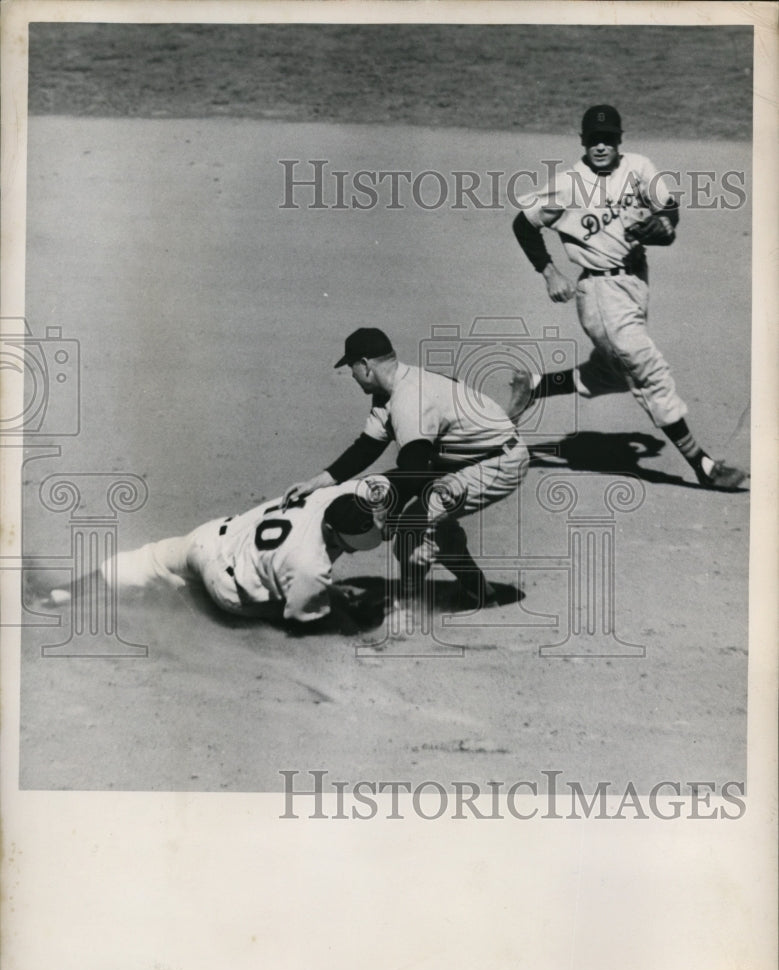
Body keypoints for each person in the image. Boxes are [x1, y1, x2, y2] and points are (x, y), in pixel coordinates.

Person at [510, 104, 746, 491]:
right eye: (594, 140)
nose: (601, 146)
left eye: (608, 139)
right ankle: (703, 465)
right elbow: (524, 222)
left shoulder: (638, 166)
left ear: (619, 140)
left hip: (636, 283)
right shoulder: (569, 184)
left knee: (614, 373)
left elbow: (668, 207)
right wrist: (549, 272)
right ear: (583, 142)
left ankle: (534, 386)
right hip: (601, 293)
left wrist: (666, 223)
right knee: (648, 371)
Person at [283, 327, 529, 606]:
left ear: (365, 365)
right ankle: (482, 592)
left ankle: (407, 606)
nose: (351, 374)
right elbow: (367, 447)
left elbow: (415, 470)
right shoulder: (388, 392)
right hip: (463, 454)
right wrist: (319, 481)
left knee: (411, 531)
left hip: (497, 462)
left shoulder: (409, 399)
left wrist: (388, 511)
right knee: (432, 522)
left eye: (351, 366)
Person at [43, 477, 390, 630]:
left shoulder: (326, 496)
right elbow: (302, 616)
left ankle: (62, 594)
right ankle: (191, 601)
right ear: (332, 531)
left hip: (210, 538)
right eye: (353, 541)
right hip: (227, 589)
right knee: (304, 612)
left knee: (146, 560)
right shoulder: (308, 563)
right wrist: (353, 618)